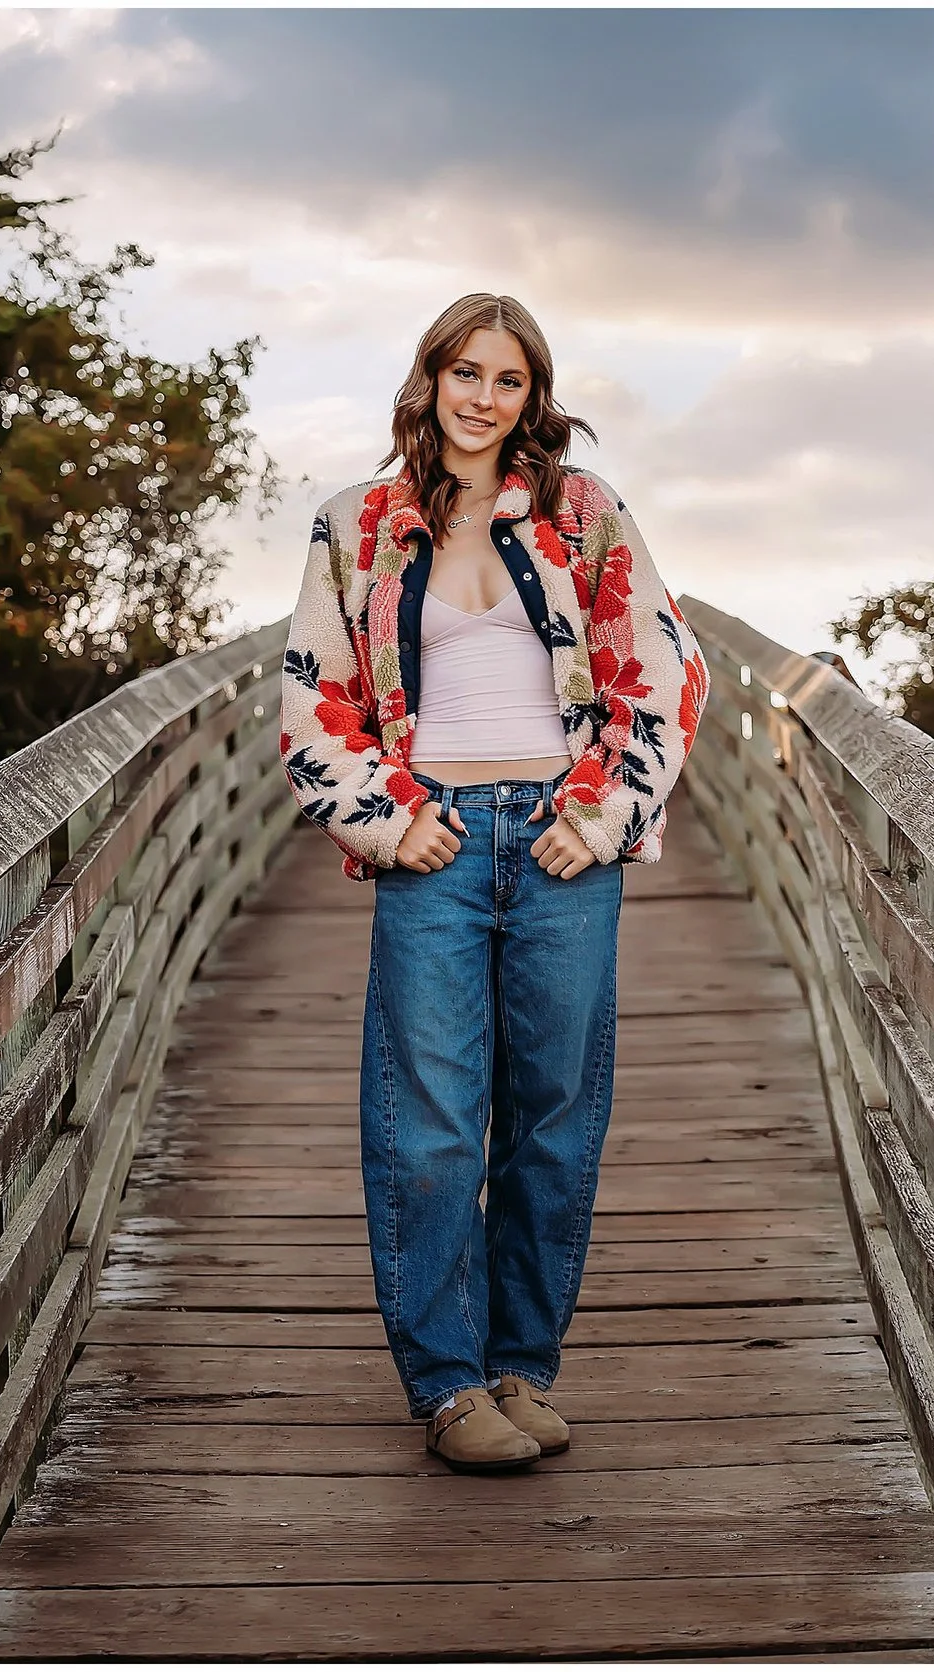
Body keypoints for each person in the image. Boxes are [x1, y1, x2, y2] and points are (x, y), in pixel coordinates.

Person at [278, 293, 709, 1472]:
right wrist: (385, 821)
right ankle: (448, 1383)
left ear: (533, 396)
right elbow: (312, 698)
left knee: (555, 1121)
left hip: (563, 837)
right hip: (437, 841)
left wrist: (609, 814)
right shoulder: (354, 524)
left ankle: (523, 1364)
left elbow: (665, 673)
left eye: (507, 380)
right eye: (463, 372)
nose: (482, 398)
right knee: (428, 1128)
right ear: (428, 380)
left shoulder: (585, 514)